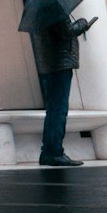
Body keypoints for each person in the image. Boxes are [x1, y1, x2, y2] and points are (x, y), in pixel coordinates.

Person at [31, 13, 95, 167]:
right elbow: (67, 32)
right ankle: (54, 153)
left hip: (49, 65)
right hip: (60, 65)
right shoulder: (56, 8)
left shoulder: (41, 11)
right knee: (59, 110)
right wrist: (82, 23)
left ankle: (49, 152)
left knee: (54, 109)